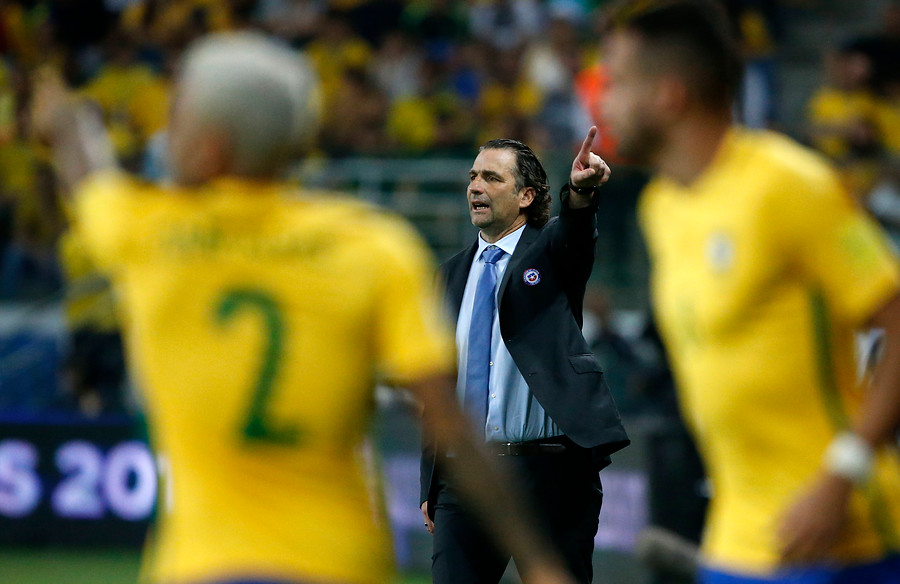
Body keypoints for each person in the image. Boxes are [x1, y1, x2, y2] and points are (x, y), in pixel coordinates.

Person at [32, 32, 578, 584]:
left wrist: (64, 121)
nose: (164, 133)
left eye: (177, 118)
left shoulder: (151, 235)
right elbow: (452, 426)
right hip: (337, 564)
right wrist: (538, 564)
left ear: (212, 145)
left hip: (205, 567)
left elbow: (88, 177)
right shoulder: (372, 246)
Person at [603, 0, 900, 584]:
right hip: (735, 540)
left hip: (836, 538)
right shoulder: (661, 207)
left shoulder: (792, 185)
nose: (601, 102)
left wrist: (843, 473)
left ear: (667, 94)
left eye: (614, 82)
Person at [420, 132, 630, 584]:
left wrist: (582, 190)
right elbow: (437, 383)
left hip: (550, 470)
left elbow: (576, 231)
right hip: (467, 475)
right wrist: (430, 480)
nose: (475, 186)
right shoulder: (449, 275)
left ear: (525, 196)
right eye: (473, 176)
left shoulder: (551, 252)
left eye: (492, 178)